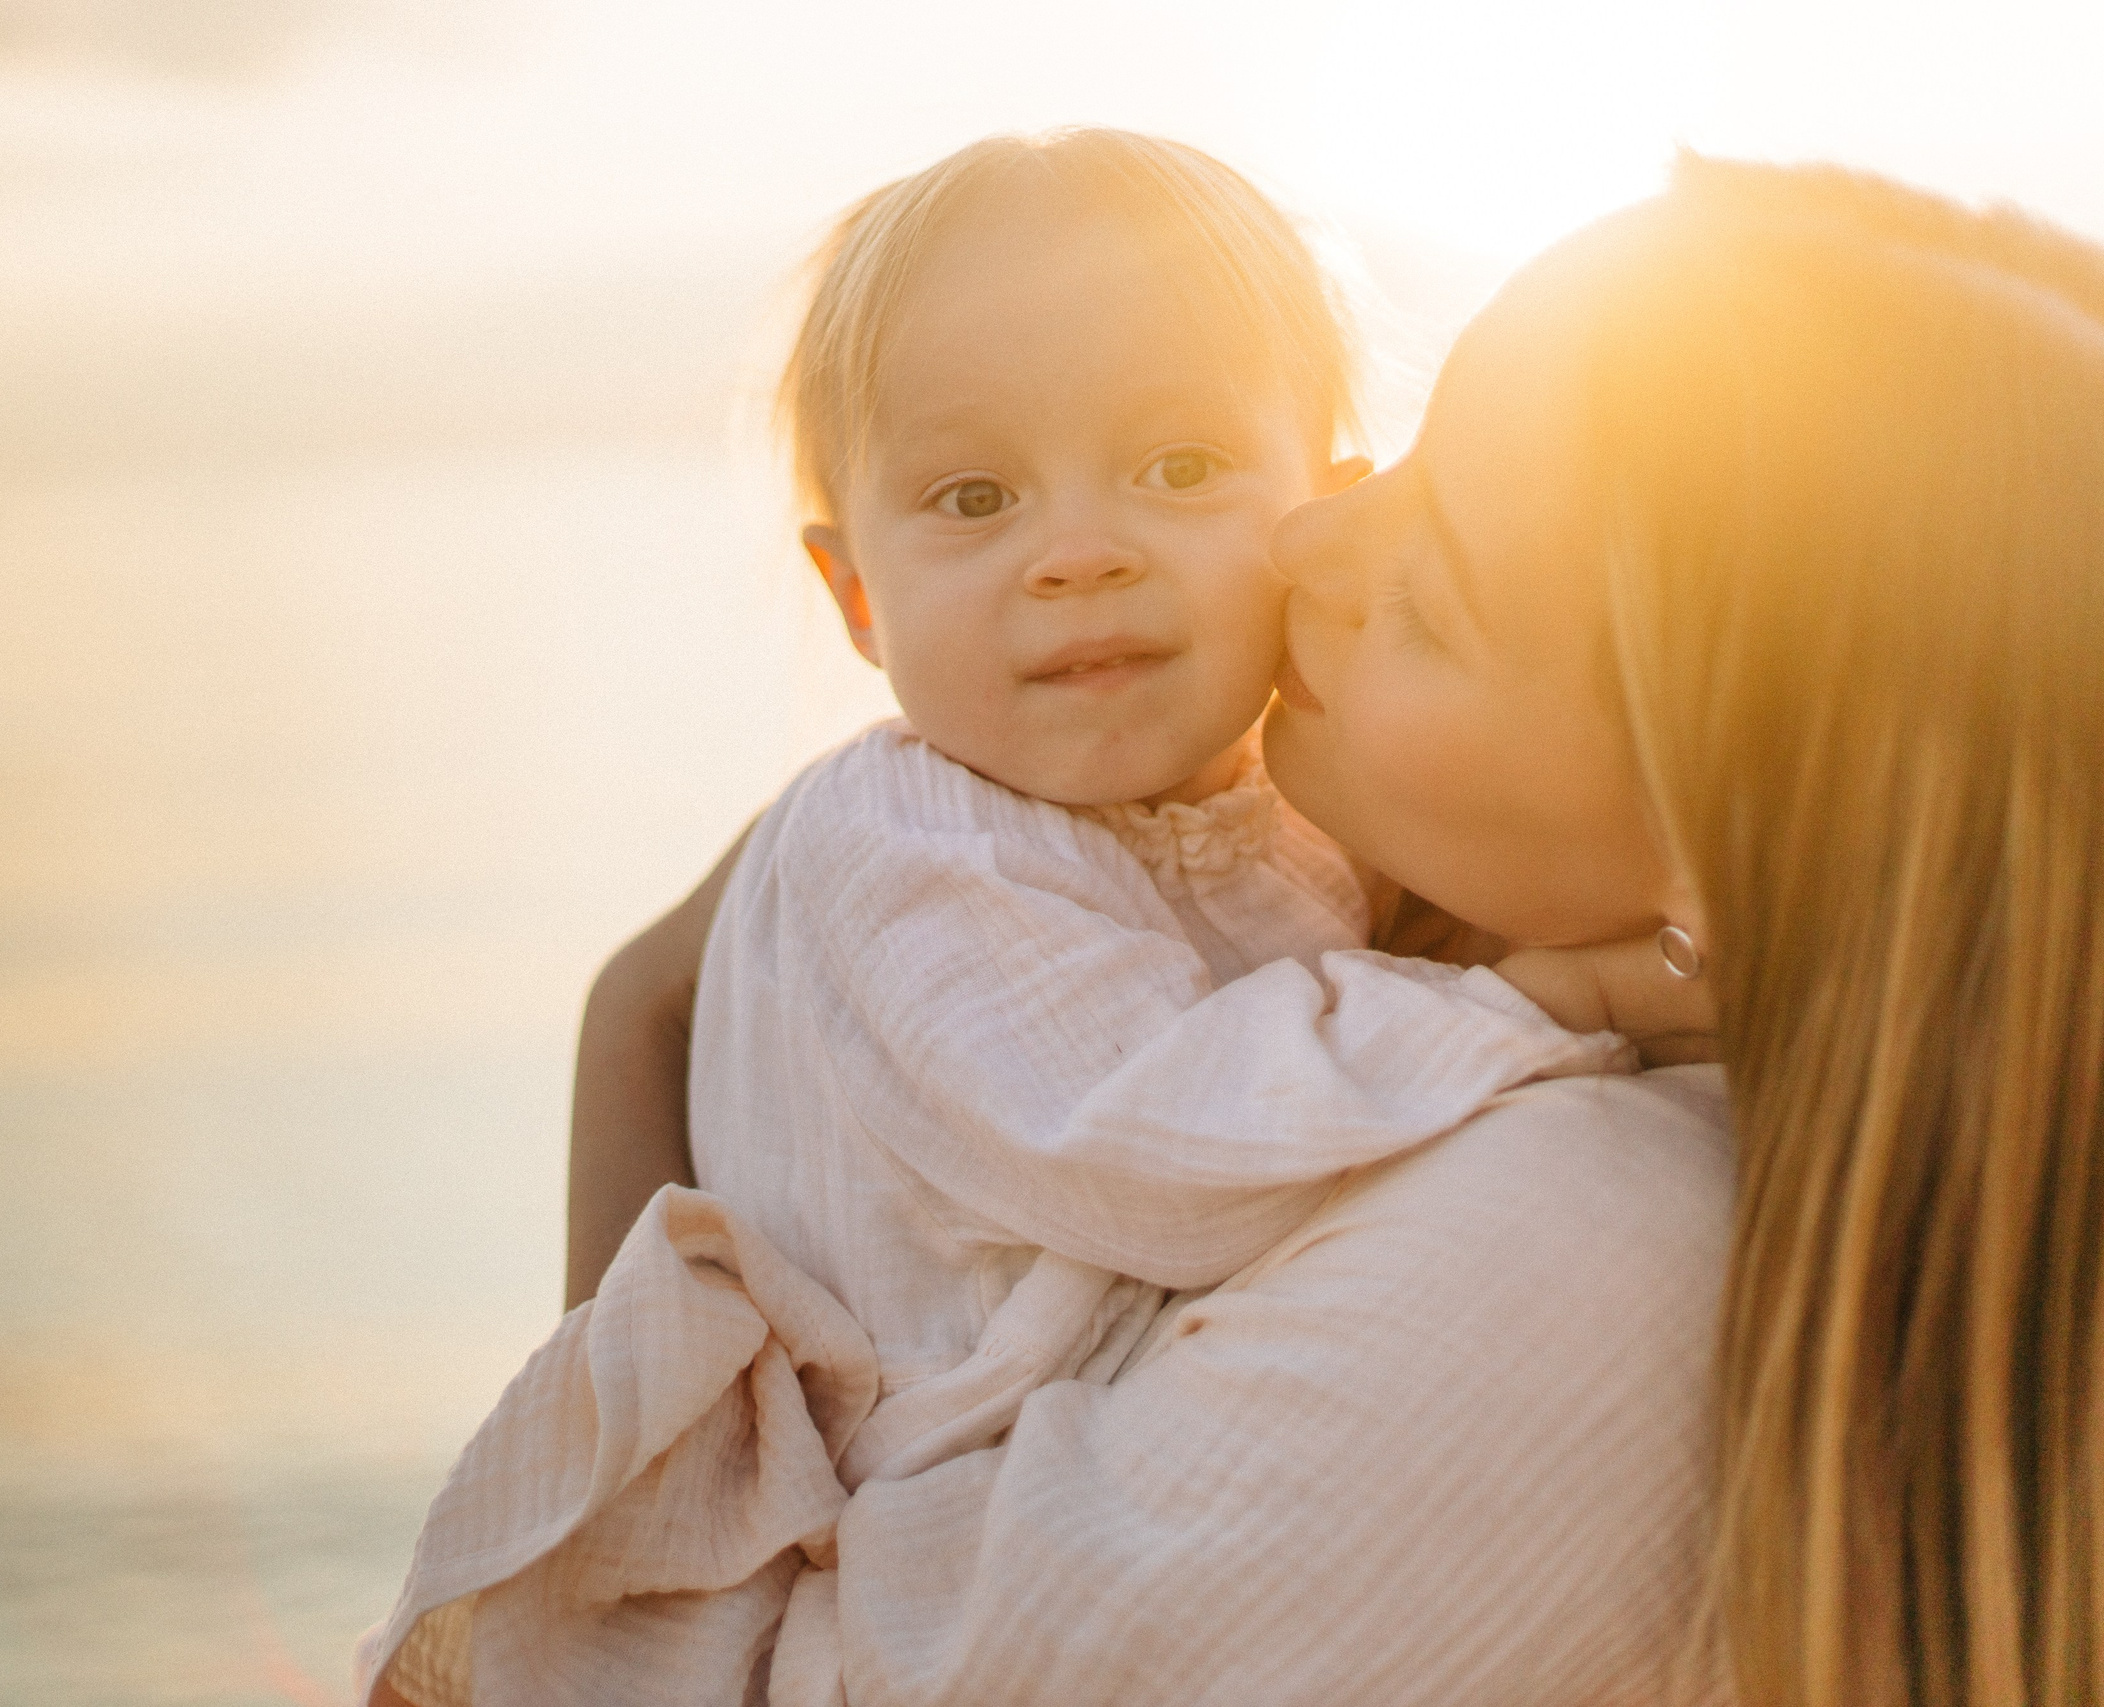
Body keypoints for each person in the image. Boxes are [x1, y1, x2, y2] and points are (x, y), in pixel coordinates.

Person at [399, 158, 2104, 1705]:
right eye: (1413, 451)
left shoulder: (1590, 1250)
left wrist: (638, 1023)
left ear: (1712, 863)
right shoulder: (1166, 890)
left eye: (1428, 593)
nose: (1305, 537)